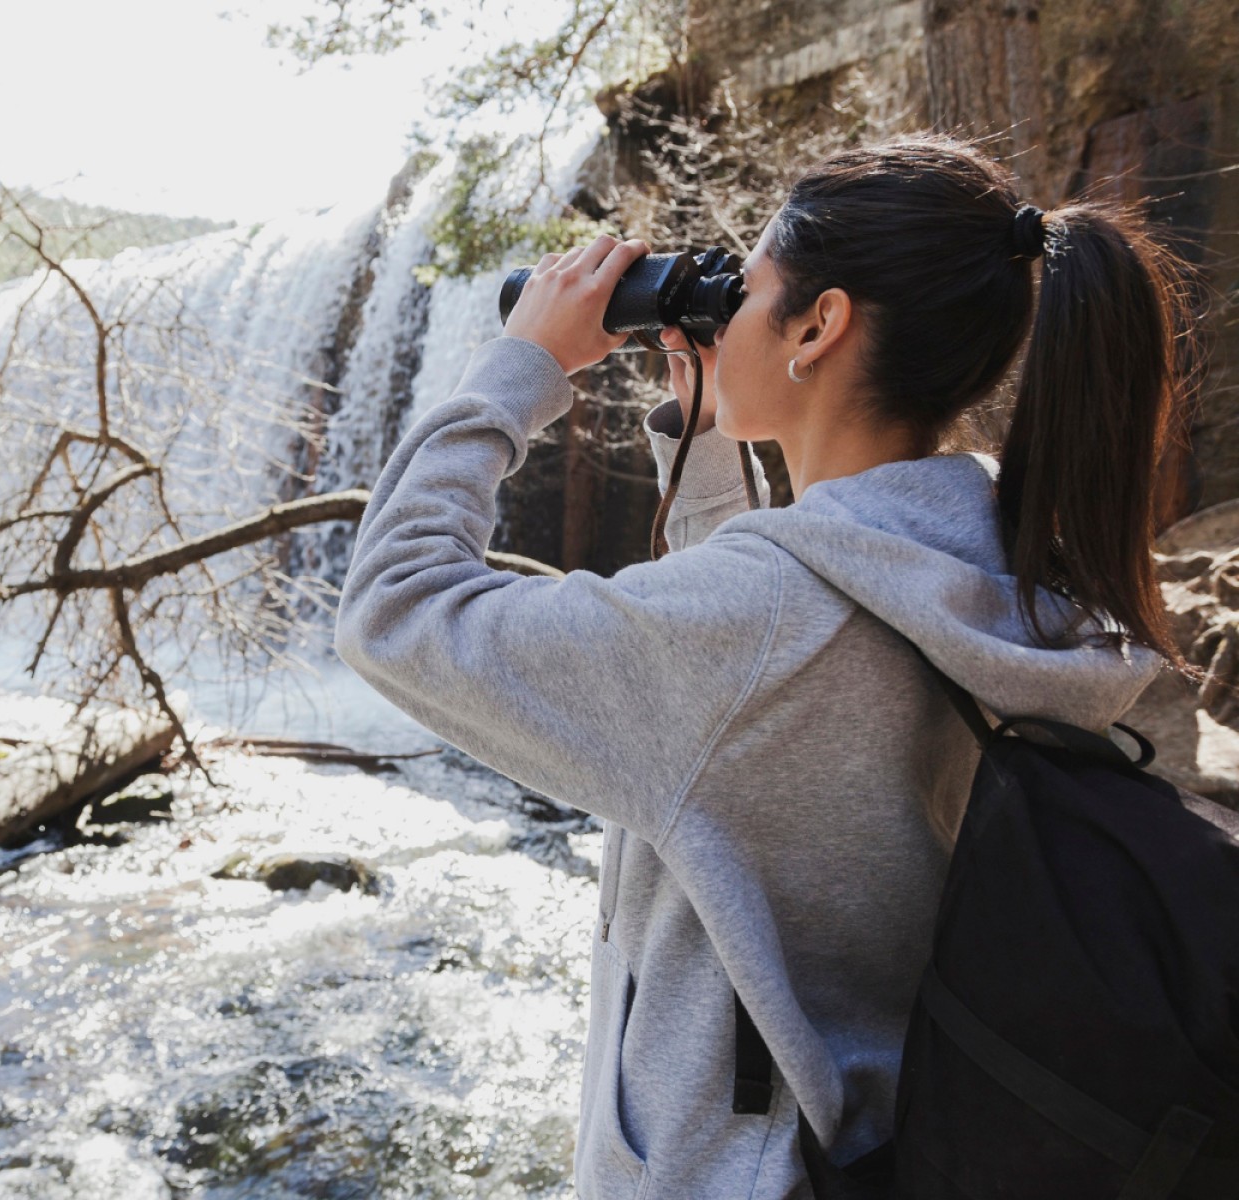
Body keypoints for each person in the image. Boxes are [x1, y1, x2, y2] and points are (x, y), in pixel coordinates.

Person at [332, 133, 1196, 1197]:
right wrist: (700, 435)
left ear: (821, 326)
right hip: (887, 1151)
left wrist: (521, 369)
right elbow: (754, 711)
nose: (724, 310)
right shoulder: (1010, 575)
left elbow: (393, 609)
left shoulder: (759, 627)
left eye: (749, 289)